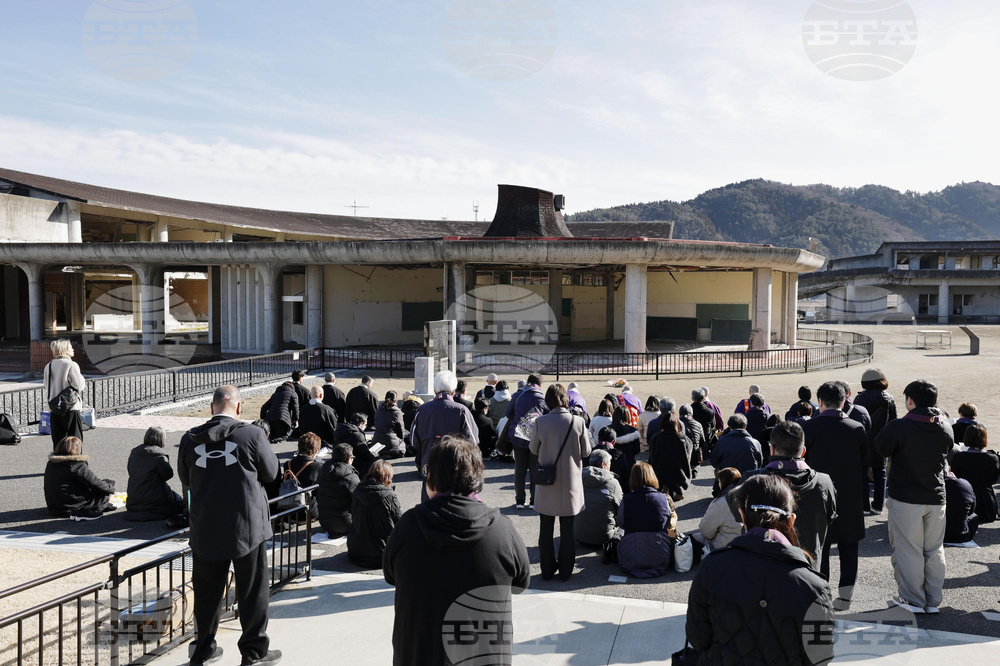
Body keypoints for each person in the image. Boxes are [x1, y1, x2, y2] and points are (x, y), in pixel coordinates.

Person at [384, 436, 530, 666]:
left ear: (431, 476)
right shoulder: (502, 530)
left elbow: (390, 575)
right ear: (477, 478)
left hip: (420, 655)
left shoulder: (409, 525)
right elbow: (521, 583)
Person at [178, 385, 281, 666]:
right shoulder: (252, 434)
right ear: (239, 408)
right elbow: (271, 473)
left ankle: (203, 649)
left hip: (205, 526)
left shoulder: (189, 439)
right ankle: (253, 652)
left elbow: (185, 477)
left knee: (207, 593)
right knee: (252, 591)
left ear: (212, 408)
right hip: (247, 525)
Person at [686, 474, 835, 665]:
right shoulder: (815, 586)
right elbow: (820, 657)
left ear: (742, 515)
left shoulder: (712, 567)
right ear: (791, 521)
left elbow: (697, 639)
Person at [874, 379, 954, 614]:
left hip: (906, 496)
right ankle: (932, 600)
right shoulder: (946, 426)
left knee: (909, 548)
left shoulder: (899, 426)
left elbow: (880, 448)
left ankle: (912, 599)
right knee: (934, 550)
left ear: (910, 400)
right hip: (936, 496)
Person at [802, 381, 866, 609]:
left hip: (817, 495)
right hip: (850, 496)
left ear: (819, 401)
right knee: (849, 548)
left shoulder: (809, 429)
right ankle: (846, 597)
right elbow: (865, 463)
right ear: (845, 401)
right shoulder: (857, 428)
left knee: (820, 547)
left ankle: (822, 595)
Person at [742, 421, 838, 566]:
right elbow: (830, 518)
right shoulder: (824, 482)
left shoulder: (752, 480)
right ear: (803, 451)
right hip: (809, 568)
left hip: (762, 569)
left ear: (772, 449)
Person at [530, 384, 592, 581]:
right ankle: (566, 571)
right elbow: (586, 452)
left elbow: (533, 449)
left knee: (545, 528)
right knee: (567, 530)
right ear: (566, 399)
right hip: (570, 483)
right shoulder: (578, 422)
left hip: (547, 481)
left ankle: (547, 570)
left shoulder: (540, 422)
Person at [411, 370, 479, 499]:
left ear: (435, 390)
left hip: (429, 466)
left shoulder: (422, 410)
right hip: (455, 467)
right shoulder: (462, 411)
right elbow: (473, 442)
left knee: (428, 509)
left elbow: (415, 442)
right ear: (453, 391)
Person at [616, 462, 675, 578]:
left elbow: (620, 523)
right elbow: (668, 522)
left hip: (631, 558)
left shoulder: (627, 499)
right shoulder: (663, 498)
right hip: (660, 555)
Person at [853, 368, 898, 515]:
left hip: (864, 439)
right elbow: (893, 421)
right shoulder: (889, 398)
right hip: (881, 439)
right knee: (880, 472)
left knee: (862, 472)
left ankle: (864, 506)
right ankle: (878, 506)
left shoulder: (859, 399)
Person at [44, 436, 115, 521]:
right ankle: (91, 510)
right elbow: (95, 483)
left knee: (102, 487)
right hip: (73, 507)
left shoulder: (51, 462)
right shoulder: (76, 465)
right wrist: (111, 488)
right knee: (105, 489)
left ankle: (101, 504)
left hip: (55, 508)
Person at [347, 460, 402, 568]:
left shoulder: (358, 491)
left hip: (357, 551)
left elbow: (353, 514)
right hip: (382, 554)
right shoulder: (389, 495)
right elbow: (399, 521)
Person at [125, 426, 185, 522]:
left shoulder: (134, 452)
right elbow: (168, 475)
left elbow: (130, 469)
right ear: (161, 439)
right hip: (154, 498)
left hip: (133, 499)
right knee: (180, 503)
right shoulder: (159, 456)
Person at [505, 373, 547, 509]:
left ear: (528, 382)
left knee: (520, 468)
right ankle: (534, 500)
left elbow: (507, 413)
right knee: (534, 468)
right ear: (540, 385)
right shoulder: (542, 397)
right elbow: (548, 414)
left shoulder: (518, 395)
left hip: (518, 436)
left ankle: (520, 500)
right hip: (535, 437)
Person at [950, 425, 999, 524]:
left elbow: (956, 477)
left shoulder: (958, 457)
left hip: (965, 500)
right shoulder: (993, 458)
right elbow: (994, 480)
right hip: (987, 504)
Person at [647, 398, 693, 502]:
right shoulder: (684, 439)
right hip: (679, 472)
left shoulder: (656, 438)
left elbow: (652, 453)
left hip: (660, 470)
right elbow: (688, 457)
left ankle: (665, 486)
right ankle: (677, 489)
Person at [43, 339, 86, 449]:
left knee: (58, 443)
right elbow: (79, 385)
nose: (73, 349)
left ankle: (58, 464)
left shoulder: (49, 366)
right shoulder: (71, 365)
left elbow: (46, 385)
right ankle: (75, 465)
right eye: (70, 347)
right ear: (64, 350)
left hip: (54, 407)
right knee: (74, 443)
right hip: (70, 407)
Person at [577, 449, 623, 549]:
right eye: (609, 463)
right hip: (603, 538)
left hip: (578, 535)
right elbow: (621, 510)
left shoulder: (577, 478)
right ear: (603, 465)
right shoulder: (613, 483)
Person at [690, 467, 743, 553]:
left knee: (695, 537)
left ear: (722, 482)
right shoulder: (748, 497)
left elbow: (705, 531)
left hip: (727, 546)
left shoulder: (721, 502)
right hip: (747, 543)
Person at [316, 443, 360, 537]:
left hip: (324, 523)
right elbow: (359, 499)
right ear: (349, 459)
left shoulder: (323, 471)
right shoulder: (351, 477)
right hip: (347, 524)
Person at [279, 432, 322, 522]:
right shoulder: (317, 466)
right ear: (316, 449)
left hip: (289, 509)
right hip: (308, 511)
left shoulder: (288, 464)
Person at [335, 413, 375, 478]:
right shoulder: (357, 435)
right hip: (354, 463)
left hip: (339, 460)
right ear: (361, 424)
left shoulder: (340, 430)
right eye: (365, 424)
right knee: (375, 460)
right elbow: (366, 455)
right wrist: (374, 454)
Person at [943, 472, 978, 545]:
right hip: (962, 536)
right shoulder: (965, 484)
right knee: (974, 516)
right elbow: (972, 510)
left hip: (937, 535)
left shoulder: (934, 486)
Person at [372, 390, 406, 459]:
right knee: (402, 446)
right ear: (395, 400)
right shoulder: (397, 412)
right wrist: (401, 440)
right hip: (391, 441)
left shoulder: (378, 410)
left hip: (377, 440)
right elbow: (401, 429)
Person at [690, 389, 719, 454]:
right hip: (706, 439)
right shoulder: (710, 412)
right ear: (703, 399)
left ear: (692, 398)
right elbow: (713, 425)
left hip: (692, 438)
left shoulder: (689, 411)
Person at [678, 403, 706, 468]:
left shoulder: (676, 424)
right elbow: (703, 442)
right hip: (694, 457)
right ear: (692, 414)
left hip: (680, 456)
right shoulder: (698, 425)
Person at [472, 395, 497, 460]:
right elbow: (490, 436)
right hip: (484, 451)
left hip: (471, 449)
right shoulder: (488, 421)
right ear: (484, 409)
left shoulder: (470, 417)